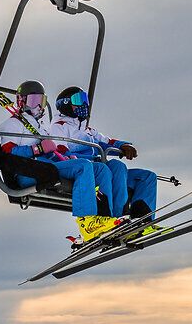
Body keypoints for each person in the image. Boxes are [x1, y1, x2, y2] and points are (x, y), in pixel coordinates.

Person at [0, 80, 117, 240]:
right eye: (33, 101)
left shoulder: (41, 127)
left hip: (48, 166)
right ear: (22, 101)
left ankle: (104, 217)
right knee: (83, 166)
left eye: (41, 101)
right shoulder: (12, 124)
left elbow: (51, 151)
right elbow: (9, 156)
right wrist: (38, 149)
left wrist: (65, 157)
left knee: (100, 169)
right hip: (30, 172)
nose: (38, 106)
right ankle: (86, 221)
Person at [49, 85, 159, 224]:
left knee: (141, 175)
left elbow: (106, 141)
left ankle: (140, 219)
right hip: (86, 169)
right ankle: (107, 218)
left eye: (85, 99)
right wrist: (92, 160)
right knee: (106, 169)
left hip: (99, 166)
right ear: (65, 104)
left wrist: (122, 146)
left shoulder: (87, 130)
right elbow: (61, 151)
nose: (84, 104)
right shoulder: (59, 126)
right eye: (78, 99)